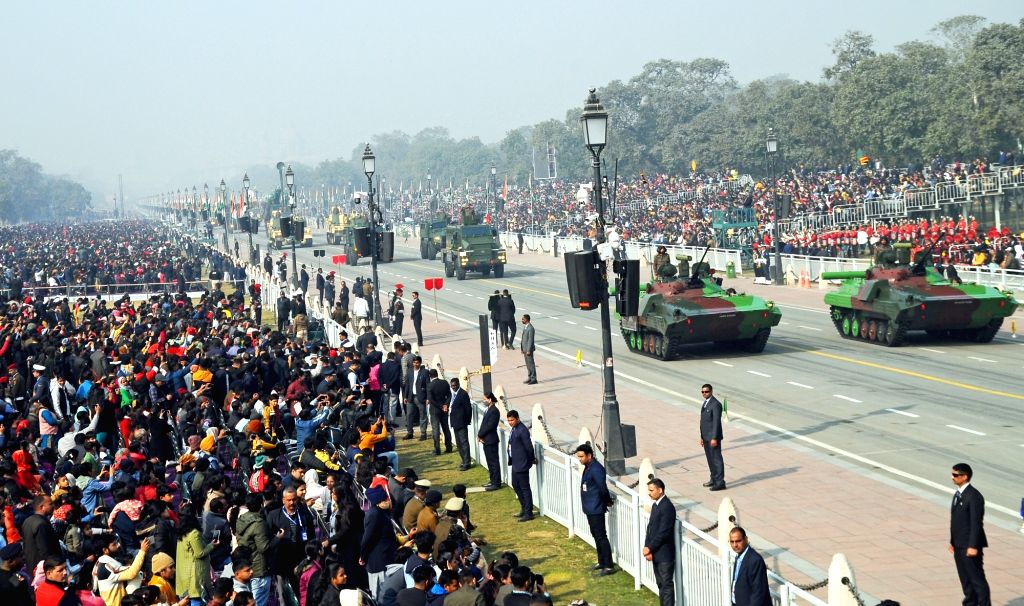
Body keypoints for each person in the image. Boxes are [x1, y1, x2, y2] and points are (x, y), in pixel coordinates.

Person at [949, 463, 990, 606]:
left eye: (955, 475)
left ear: (965, 477)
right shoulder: (959, 493)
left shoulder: (974, 496)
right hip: (959, 544)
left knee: (977, 580)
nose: (952, 477)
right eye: (952, 474)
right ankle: (970, 603)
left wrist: (972, 546)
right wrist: (952, 542)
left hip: (969, 545)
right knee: (965, 579)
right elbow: (956, 520)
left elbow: (976, 523)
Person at [574, 443, 614, 576]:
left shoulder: (596, 469)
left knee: (601, 536)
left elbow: (602, 488)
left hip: (596, 508)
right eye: (578, 456)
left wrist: (607, 501)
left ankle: (608, 565)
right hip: (590, 508)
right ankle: (601, 561)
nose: (579, 459)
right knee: (596, 535)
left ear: (589, 456)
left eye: (581, 456)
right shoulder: (588, 466)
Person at [644, 478, 676, 606]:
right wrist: (648, 547)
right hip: (656, 552)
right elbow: (650, 528)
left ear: (660, 490)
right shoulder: (656, 505)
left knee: (666, 586)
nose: (649, 493)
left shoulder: (667, 507)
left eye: (651, 490)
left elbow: (663, 532)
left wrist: (650, 547)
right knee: (660, 584)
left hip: (664, 554)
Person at [729, 527, 771, 606]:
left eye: (738, 541)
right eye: (732, 542)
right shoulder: (739, 557)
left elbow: (758, 592)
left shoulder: (755, 560)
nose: (735, 545)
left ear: (745, 539)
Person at [507, 410, 535, 521]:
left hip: (522, 463)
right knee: (515, 484)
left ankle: (528, 513)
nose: (510, 422)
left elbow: (529, 447)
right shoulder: (514, 429)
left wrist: (531, 459)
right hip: (515, 462)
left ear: (517, 418)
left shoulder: (522, 430)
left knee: (524, 488)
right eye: (508, 420)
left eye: (512, 420)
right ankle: (524, 508)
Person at [699, 383, 725, 491]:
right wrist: (701, 436)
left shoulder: (716, 404)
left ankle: (720, 482)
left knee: (716, 460)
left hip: (713, 438)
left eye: (707, 392)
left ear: (711, 392)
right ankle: (713, 479)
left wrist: (714, 438)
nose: (705, 393)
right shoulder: (705, 403)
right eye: (703, 392)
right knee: (710, 460)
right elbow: (703, 422)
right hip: (706, 437)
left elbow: (716, 423)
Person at [477, 391, 502, 490]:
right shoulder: (488, 409)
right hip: (486, 440)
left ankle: (496, 483)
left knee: (494, 462)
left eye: (485, 399)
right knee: (490, 462)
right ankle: (492, 481)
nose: (484, 401)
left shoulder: (494, 411)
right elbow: (484, 425)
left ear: (490, 399)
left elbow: (490, 426)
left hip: (491, 440)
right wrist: (480, 436)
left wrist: (480, 435)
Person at [426, 369, 452, 456]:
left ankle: (437, 450)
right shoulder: (444, 382)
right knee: (446, 428)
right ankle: (449, 447)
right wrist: (446, 405)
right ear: (437, 374)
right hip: (444, 409)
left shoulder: (430, 385)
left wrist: (441, 406)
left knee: (436, 430)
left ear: (430, 376)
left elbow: (431, 400)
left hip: (435, 410)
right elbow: (449, 395)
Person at [449, 377, 472, 470]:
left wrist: (467, 420)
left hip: (462, 423)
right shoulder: (452, 394)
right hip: (455, 423)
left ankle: (467, 462)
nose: (453, 387)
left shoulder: (463, 394)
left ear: (458, 384)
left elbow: (468, 409)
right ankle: (463, 460)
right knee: (458, 443)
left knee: (464, 442)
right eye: (452, 386)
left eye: (454, 385)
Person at [404, 356, 429, 440]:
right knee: (409, 415)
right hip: (411, 396)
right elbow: (407, 384)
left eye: (417, 362)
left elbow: (428, 386)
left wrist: (428, 398)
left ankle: (423, 433)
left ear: (420, 363)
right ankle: (409, 432)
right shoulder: (410, 371)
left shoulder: (425, 372)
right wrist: (405, 396)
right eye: (414, 362)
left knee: (422, 415)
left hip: (420, 397)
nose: (415, 364)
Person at [520, 314, 537, 384]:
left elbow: (530, 340)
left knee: (531, 364)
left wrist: (528, 350)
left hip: (528, 350)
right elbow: (523, 339)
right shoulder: (526, 327)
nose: (522, 320)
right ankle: (530, 377)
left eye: (523, 319)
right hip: (525, 349)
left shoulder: (531, 328)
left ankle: (534, 378)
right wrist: (522, 349)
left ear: (527, 319)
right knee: (527, 364)